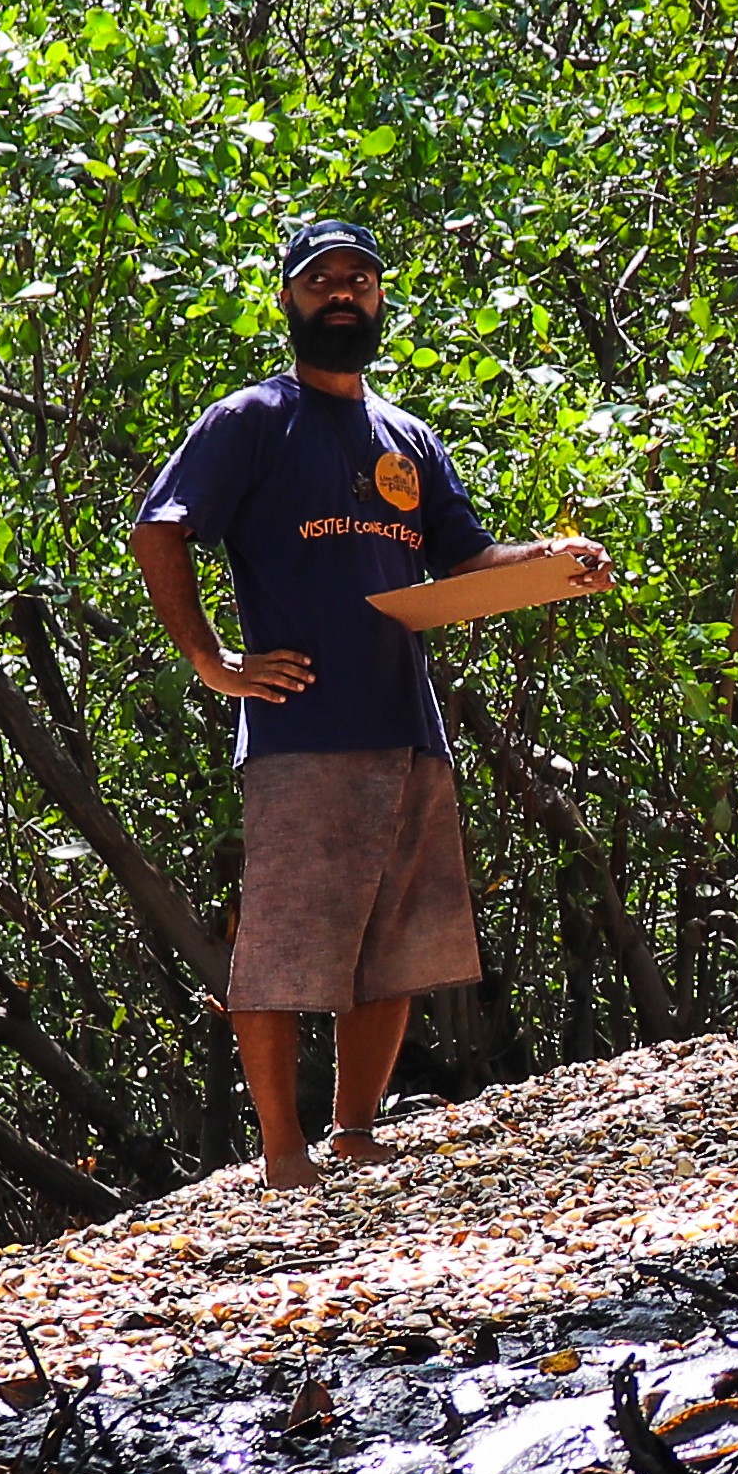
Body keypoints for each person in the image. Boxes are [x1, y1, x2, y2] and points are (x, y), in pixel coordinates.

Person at [135, 218, 608, 1189]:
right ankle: (279, 1154)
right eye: (322, 280)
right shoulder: (250, 419)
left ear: (379, 298)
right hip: (300, 726)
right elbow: (160, 530)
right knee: (281, 943)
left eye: (359, 278)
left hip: (406, 722)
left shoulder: (406, 438)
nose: (342, 293)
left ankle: (352, 1131)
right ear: (288, 298)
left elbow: (466, 559)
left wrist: (550, 563)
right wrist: (214, 662)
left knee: (394, 939)